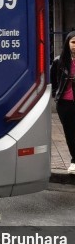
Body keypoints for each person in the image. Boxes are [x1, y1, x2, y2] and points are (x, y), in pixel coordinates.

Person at [51, 31, 75, 174]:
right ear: (67, 43)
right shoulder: (59, 61)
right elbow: (52, 79)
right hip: (65, 104)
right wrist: (56, 93)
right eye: (73, 42)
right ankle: (74, 161)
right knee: (70, 133)